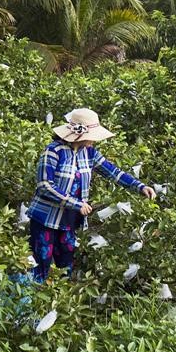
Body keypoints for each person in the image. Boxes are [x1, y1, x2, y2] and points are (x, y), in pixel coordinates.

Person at [26, 108, 155, 282]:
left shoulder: (89, 154)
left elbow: (114, 172)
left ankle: (57, 305)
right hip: (46, 220)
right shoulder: (54, 151)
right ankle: (32, 305)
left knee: (65, 268)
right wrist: (76, 204)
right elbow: (44, 185)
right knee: (41, 266)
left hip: (70, 223)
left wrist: (139, 186)